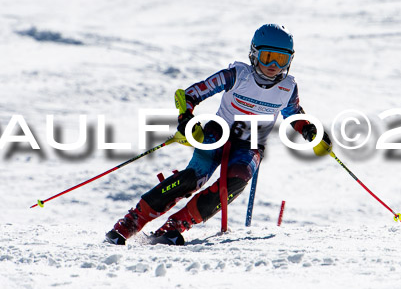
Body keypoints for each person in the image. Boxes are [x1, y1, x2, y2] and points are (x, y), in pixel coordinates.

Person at [105, 24, 332, 245]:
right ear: (254, 54)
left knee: (237, 179)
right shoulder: (237, 75)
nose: (273, 65)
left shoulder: (288, 88)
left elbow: (294, 114)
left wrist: (310, 129)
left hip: (251, 145)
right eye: (267, 57)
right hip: (217, 134)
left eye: (281, 59)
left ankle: (175, 226)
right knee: (192, 179)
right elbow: (189, 94)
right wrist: (186, 118)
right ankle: (130, 223)